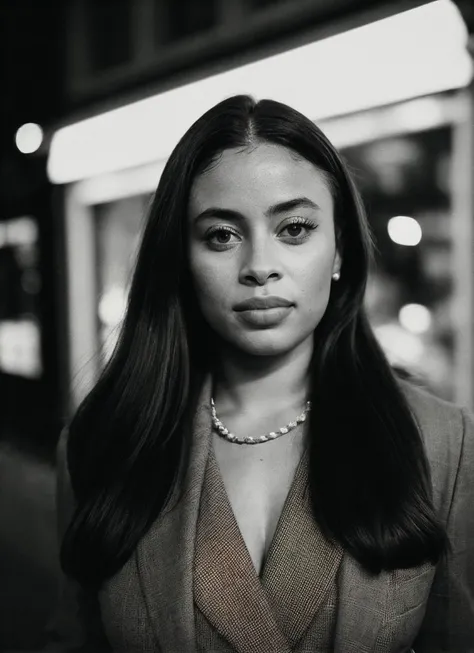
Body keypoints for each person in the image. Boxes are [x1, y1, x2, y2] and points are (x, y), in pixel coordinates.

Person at [44, 95, 474, 652]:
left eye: (294, 229)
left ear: (339, 248)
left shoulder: (441, 442)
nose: (259, 267)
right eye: (222, 235)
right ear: (182, 258)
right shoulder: (101, 444)